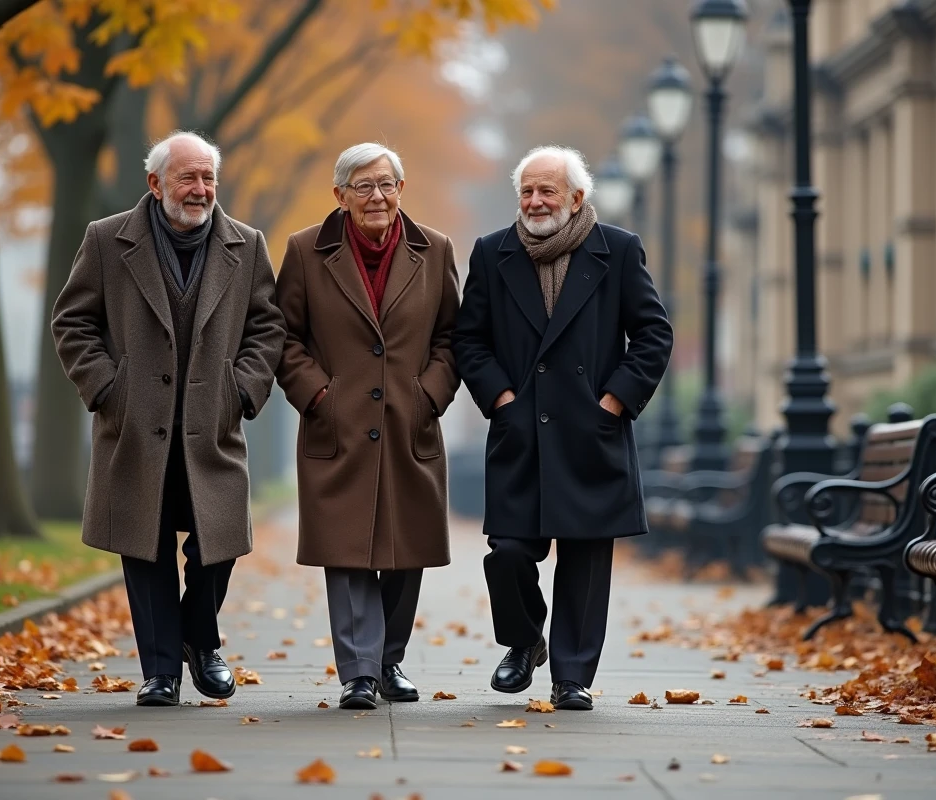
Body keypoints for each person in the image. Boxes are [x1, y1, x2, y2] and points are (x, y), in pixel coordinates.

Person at [51, 130, 285, 707]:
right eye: (188, 178)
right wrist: (108, 388)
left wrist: (241, 391)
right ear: (155, 184)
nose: (201, 189)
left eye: (208, 178)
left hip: (213, 427)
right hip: (135, 427)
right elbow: (72, 322)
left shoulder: (247, 244)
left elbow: (268, 327)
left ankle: (199, 640)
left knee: (218, 545)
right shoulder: (106, 240)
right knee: (146, 550)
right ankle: (160, 673)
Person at [452, 145, 673, 710]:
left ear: (576, 198)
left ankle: (572, 677)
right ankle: (525, 641)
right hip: (520, 433)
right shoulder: (493, 252)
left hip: (590, 432)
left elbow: (653, 333)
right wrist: (500, 398)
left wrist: (614, 402)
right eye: (526, 191)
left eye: (546, 191)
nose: (535, 201)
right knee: (508, 553)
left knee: (585, 561)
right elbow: (469, 339)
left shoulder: (617, 249)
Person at [275, 143, 460, 710]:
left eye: (386, 184)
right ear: (340, 196)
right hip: (339, 427)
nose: (376, 196)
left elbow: (453, 337)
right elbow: (282, 336)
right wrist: (319, 395)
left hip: (410, 424)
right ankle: (358, 672)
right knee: (347, 551)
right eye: (363, 186)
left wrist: (429, 395)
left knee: (407, 551)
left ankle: (388, 660)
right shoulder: (305, 250)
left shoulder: (435, 249)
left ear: (401, 190)